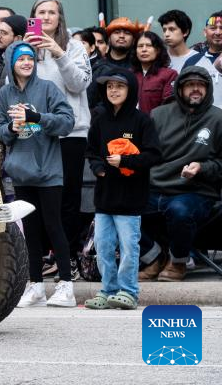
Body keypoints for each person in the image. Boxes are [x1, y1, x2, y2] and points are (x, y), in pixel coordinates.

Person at [0, 41, 76, 307]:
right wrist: (13, 128)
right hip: (20, 172)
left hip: (48, 170)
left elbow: (67, 122)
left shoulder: (48, 88)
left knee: (53, 226)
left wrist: (37, 117)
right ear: (11, 64)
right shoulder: (5, 93)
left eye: (31, 58)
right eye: (21, 59)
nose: (27, 63)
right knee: (29, 230)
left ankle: (66, 286)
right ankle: (36, 286)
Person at [83, 70, 162, 311]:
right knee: (103, 246)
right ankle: (108, 290)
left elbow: (154, 155)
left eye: (120, 86)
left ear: (130, 91)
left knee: (129, 247)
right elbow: (91, 151)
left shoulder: (142, 121)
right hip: (104, 197)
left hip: (131, 198)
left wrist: (125, 162)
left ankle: (128, 291)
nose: (114, 91)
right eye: (110, 87)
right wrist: (99, 168)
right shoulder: (99, 120)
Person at [137, 66, 222, 282]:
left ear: (208, 88)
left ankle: (178, 262)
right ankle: (154, 257)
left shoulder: (218, 118)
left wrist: (202, 168)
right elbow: (146, 153)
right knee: (118, 207)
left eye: (201, 85)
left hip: (195, 190)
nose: (196, 89)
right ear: (180, 89)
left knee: (180, 210)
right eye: (190, 85)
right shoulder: (159, 114)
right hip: (155, 186)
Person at [26, 0, 93, 266]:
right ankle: (42, 256)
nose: (46, 17)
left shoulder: (74, 47)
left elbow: (79, 85)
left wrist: (59, 52)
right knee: (38, 196)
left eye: (52, 12)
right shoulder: (25, 47)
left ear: (60, 17)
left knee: (67, 198)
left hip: (70, 133)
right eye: (40, 12)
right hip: (35, 131)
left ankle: (67, 256)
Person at [131, 31, 177, 114]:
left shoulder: (169, 75)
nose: (144, 49)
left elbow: (168, 107)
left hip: (156, 124)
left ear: (158, 50)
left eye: (149, 46)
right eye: (140, 46)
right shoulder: (130, 74)